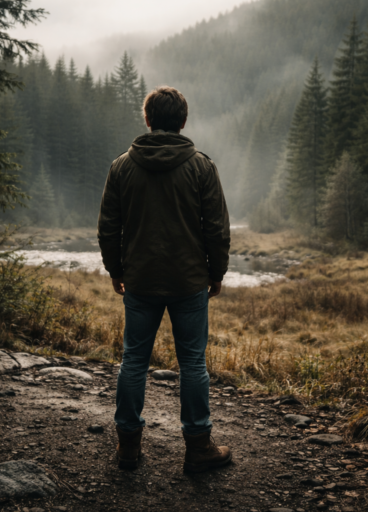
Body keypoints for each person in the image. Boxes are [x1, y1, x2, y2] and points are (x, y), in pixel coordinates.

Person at [97, 86, 232, 472]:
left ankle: (127, 448)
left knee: (133, 360)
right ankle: (198, 448)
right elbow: (217, 229)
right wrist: (216, 273)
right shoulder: (202, 167)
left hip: (139, 281)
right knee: (192, 363)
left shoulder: (122, 166)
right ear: (183, 122)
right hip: (189, 282)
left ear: (148, 119)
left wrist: (115, 270)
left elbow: (109, 227)